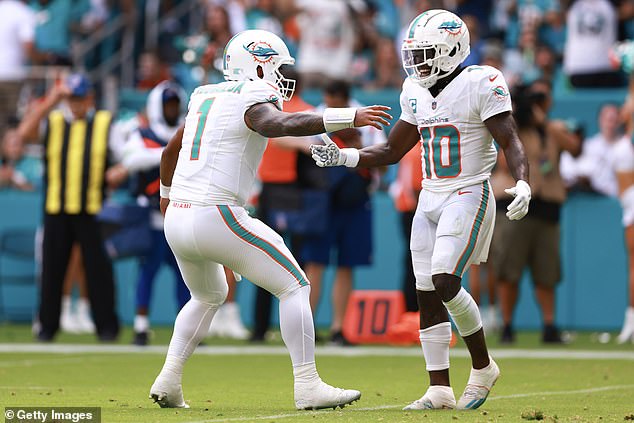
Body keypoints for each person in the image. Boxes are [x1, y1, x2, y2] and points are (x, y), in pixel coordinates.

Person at [151, 29, 391, 410]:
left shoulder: (204, 96)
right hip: (215, 212)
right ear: (258, 64)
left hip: (179, 216)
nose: (281, 76)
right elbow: (276, 125)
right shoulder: (251, 96)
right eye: (277, 67)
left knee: (207, 294)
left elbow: (170, 151)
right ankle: (308, 384)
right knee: (295, 285)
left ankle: (169, 379)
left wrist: (165, 199)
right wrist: (348, 117)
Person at [311, 10, 531, 410]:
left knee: (446, 279)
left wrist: (522, 180)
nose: (417, 62)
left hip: (467, 189)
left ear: (451, 50)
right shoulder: (414, 89)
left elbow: (510, 140)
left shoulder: (481, 82)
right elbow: (393, 150)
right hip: (429, 196)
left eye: (427, 53)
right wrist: (344, 157)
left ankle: (482, 366)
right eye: (414, 53)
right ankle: (439, 388)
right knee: (426, 292)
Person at [17, 73, 120, 341]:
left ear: (90, 99)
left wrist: (119, 171)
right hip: (57, 208)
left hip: (92, 209)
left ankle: (106, 327)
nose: (75, 104)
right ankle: (47, 327)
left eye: (80, 98)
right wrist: (52, 99)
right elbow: (23, 134)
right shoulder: (53, 122)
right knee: (53, 270)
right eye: (71, 99)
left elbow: (124, 155)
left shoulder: (104, 123)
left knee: (98, 270)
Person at [106, 81, 191, 346]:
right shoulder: (143, 133)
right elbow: (132, 160)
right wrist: (170, 154)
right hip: (152, 217)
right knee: (148, 271)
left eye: (175, 104)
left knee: (186, 276)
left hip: (181, 215)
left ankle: (187, 331)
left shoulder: (185, 132)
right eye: (167, 104)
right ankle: (141, 326)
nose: (171, 109)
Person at [496, 80, 581, 344]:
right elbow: (499, 162)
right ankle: (507, 325)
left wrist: (543, 123)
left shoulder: (552, 129)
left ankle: (549, 325)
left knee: (547, 272)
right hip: (514, 206)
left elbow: (575, 148)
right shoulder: (509, 129)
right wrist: (516, 117)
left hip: (547, 208)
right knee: (508, 271)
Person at [303, 79, 387, 346]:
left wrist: (357, 148)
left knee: (346, 264)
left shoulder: (367, 119)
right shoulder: (315, 116)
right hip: (321, 200)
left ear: (345, 100)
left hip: (355, 198)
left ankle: (339, 328)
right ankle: (307, 328)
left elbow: (384, 162)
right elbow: (299, 153)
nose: (329, 105)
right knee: (314, 264)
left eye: (334, 102)